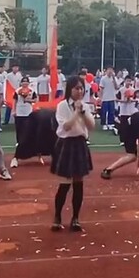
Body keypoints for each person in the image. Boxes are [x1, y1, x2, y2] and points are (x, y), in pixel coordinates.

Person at [50, 76, 95, 232]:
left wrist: (83, 111)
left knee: (78, 183)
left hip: (80, 144)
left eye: (82, 88)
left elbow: (92, 126)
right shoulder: (62, 106)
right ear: (70, 89)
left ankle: (75, 218)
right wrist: (76, 111)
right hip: (66, 144)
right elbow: (67, 126)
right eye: (76, 88)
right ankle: (57, 217)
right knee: (64, 183)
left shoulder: (86, 106)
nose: (80, 91)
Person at [9, 77, 39, 168]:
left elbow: (35, 100)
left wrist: (28, 100)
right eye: (23, 82)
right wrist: (13, 111)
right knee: (19, 131)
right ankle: (18, 147)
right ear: (21, 83)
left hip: (28, 114)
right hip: (19, 113)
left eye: (26, 82)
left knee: (28, 132)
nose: (25, 83)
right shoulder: (17, 91)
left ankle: (33, 151)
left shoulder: (31, 91)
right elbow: (14, 101)